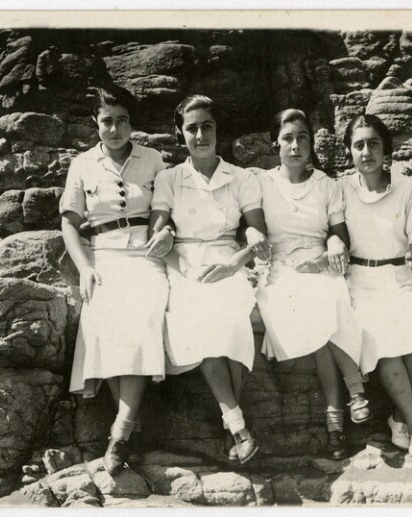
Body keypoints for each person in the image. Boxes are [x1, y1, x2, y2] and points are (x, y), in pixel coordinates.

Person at [146, 95, 271, 464]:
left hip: (228, 259)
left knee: (233, 318)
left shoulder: (242, 177)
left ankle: (234, 425)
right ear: (180, 133)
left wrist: (233, 265)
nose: (200, 135)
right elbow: (157, 232)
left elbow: (257, 234)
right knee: (200, 320)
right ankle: (239, 427)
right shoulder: (169, 178)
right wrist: (169, 240)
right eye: (192, 128)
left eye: (207, 126)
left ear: (218, 130)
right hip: (183, 263)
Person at [59, 85, 174, 475]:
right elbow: (69, 224)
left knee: (143, 319)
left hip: (146, 255)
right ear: (95, 123)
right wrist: (85, 268)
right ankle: (129, 424)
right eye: (107, 121)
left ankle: (120, 432)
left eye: (122, 121)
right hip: (103, 256)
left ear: (131, 123)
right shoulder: (82, 164)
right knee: (102, 322)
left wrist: (165, 231)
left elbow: (165, 209)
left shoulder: (153, 158)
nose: (114, 129)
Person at [254, 109, 371, 460]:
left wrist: (330, 250)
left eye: (302, 137)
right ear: (275, 144)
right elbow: (251, 227)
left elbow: (339, 235)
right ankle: (352, 394)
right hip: (280, 269)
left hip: (320, 263)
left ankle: (338, 420)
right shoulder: (260, 183)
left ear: (311, 142)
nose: (295, 145)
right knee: (317, 312)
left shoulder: (326, 185)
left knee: (330, 295)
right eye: (288, 138)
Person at [339, 114, 412, 458]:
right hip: (359, 283)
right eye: (359, 145)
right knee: (386, 345)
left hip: (400, 279)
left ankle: (398, 418)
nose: (366, 152)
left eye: (373, 144)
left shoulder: (407, 188)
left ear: (386, 149)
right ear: (350, 151)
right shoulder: (341, 190)